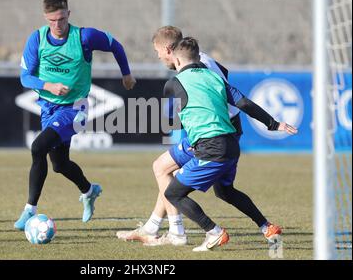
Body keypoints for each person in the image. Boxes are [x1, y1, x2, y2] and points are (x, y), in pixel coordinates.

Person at [117, 27, 297, 247]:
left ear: (170, 51)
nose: (158, 56)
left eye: (158, 51)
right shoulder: (210, 70)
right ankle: (266, 226)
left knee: (170, 184)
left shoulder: (176, 82)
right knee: (223, 190)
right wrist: (274, 123)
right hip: (230, 135)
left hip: (210, 140)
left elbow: (171, 117)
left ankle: (194, 232)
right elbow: (243, 100)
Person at [14, 0, 136, 230]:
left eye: (61, 19)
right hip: (48, 108)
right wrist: (48, 86)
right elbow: (25, 76)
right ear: (45, 18)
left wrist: (126, 73)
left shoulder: (84, 37)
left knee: (37, 147)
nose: (57, 25)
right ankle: (89, 191)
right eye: (52, 20)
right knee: (59, 164)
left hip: (76, 107)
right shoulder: (37, 39)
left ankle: (29, 210)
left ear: (68, 14)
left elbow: (115, 45)